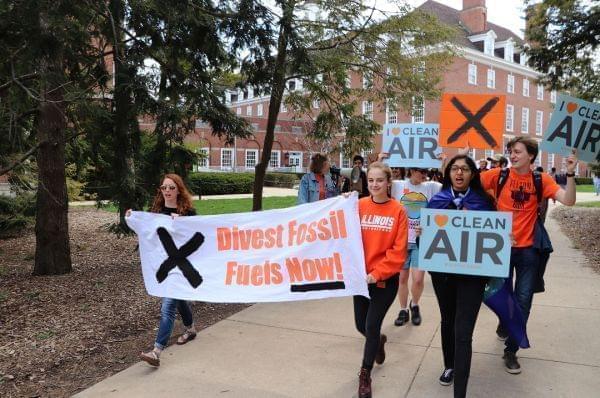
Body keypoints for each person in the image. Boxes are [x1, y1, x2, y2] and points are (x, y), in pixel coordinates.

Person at [480, 136, 577, 374]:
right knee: (497, 295)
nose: (513, 155)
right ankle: (505, 320)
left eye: (518, 152)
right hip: (499, 249)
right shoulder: (498, 175)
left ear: (531, 156)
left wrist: (571, 174)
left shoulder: (540, 179)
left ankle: (511, 350)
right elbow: (466, 185)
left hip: (529, 251)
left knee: (524, 300)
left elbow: (569, 200)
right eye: (511, 151)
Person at [425, 155, 497, 398]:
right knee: (448, 320)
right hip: (443, 274)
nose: (459, 173)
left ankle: (460, 392)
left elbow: (494, 234)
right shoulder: (437, 201)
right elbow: (425, 236)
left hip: (472, 276)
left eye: (464, 169)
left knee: (463, 331)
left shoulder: (484, 202)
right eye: (454, 169)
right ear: (448, 174)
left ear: (472, 174)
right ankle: (450, 365)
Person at [354, 161, 408, 398]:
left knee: (372, 325)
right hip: (360, 279)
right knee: (361, 326)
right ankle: (378, 342)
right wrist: (341, 202)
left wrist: (376, 274)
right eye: (371, 181)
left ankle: (365, 375)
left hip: (384, 280)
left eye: (379, 180)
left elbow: (398, 252)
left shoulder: (398, 210)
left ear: (388, 183)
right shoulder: (357, 206)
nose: (375, 184)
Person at [136, 173, 198, 367]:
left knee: (168, 306)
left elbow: (199, 234)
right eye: (164, 188)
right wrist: (133, 218)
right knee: (178, 299)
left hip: (182, 265)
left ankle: (156, 351)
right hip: (164, 264)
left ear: (179, 189)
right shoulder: (156, 211)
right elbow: (147, 232)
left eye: (172, 187)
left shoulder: (188, 212)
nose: (168, 191)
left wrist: (181, 223)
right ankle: (190, 328)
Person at [391, 167, 441, 328]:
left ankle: (415, 304)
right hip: (402, 240)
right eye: (422, 172)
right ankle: (403, 309)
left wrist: (444, 161)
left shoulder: (431, 186)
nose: (425, 175)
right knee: (402, 278)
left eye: (427, 172)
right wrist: (381, 159)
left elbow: (450, 184)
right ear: (412, 170)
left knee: (418, 279)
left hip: (422, 240)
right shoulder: (398, 185)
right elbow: (377, 179)